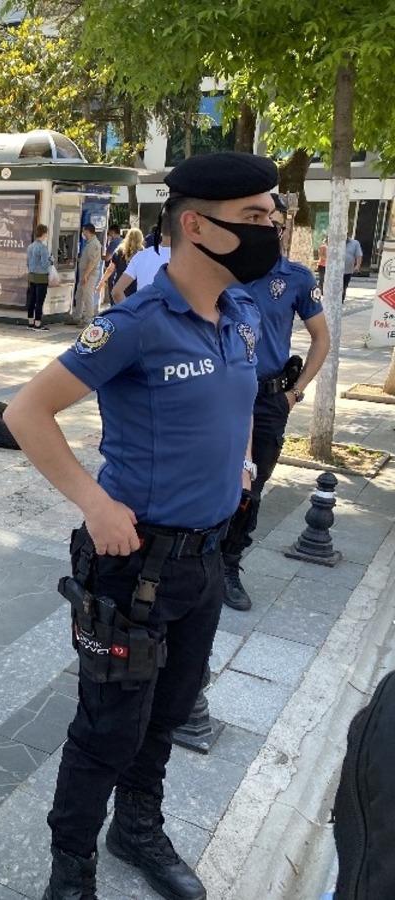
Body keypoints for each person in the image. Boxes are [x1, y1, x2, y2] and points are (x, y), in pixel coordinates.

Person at [4, 151, 279, 900]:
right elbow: (25, 413)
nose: (273, 228)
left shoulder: (243, 313)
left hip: (205, 560)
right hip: (134, 568)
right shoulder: (136, 323)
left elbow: (244, 400)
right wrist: (95, 503)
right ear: (197, 225)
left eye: (272, 214)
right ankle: (71, 868)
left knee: (167, 713)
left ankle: (138, 829)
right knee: (107, 730)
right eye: (256, 217)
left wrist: (243, 463)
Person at [220, 194, 329, 611]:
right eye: (257, 221)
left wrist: (295, 392)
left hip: (267, 400)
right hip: (220, 395)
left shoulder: (297, 278)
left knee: (252, 486)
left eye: (274, 224)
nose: (266, 230)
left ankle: (229, 564)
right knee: (207, 475)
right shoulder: (224, 270)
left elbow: (321, 339)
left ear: (282, 229)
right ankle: (200, 559)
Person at [112, 224, 171, 302]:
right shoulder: (187, 258)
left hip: (141, 307)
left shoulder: (141, 255)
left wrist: (131, 311)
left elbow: (116, 292)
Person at [100, 227, 145, 304]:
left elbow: (110, 269)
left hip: (120, 285)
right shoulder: (144, 253)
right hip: (136, 286)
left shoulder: (119, 251)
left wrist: (102, 282)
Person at [74, 223, 102, 324]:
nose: (83, 233)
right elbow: (87, 259)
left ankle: (89, 319)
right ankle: (77, 317)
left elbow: (92, 262)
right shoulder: (90, 243)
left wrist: (86, 275)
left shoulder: (94, 244)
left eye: (83, 231)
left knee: (87, 295)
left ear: (87, 231)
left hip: (89, 274)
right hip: (85, 273)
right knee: (80, 295)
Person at [26, 224, 52, 330]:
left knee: (31, 300)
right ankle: (37, 324)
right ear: (44, 233)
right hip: (41, 277)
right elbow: (45, 264)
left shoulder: (30, 246)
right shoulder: (43, 248)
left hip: (31, 276)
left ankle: (30, 322)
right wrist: (51, 260)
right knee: (39, 301)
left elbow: (28, 262)